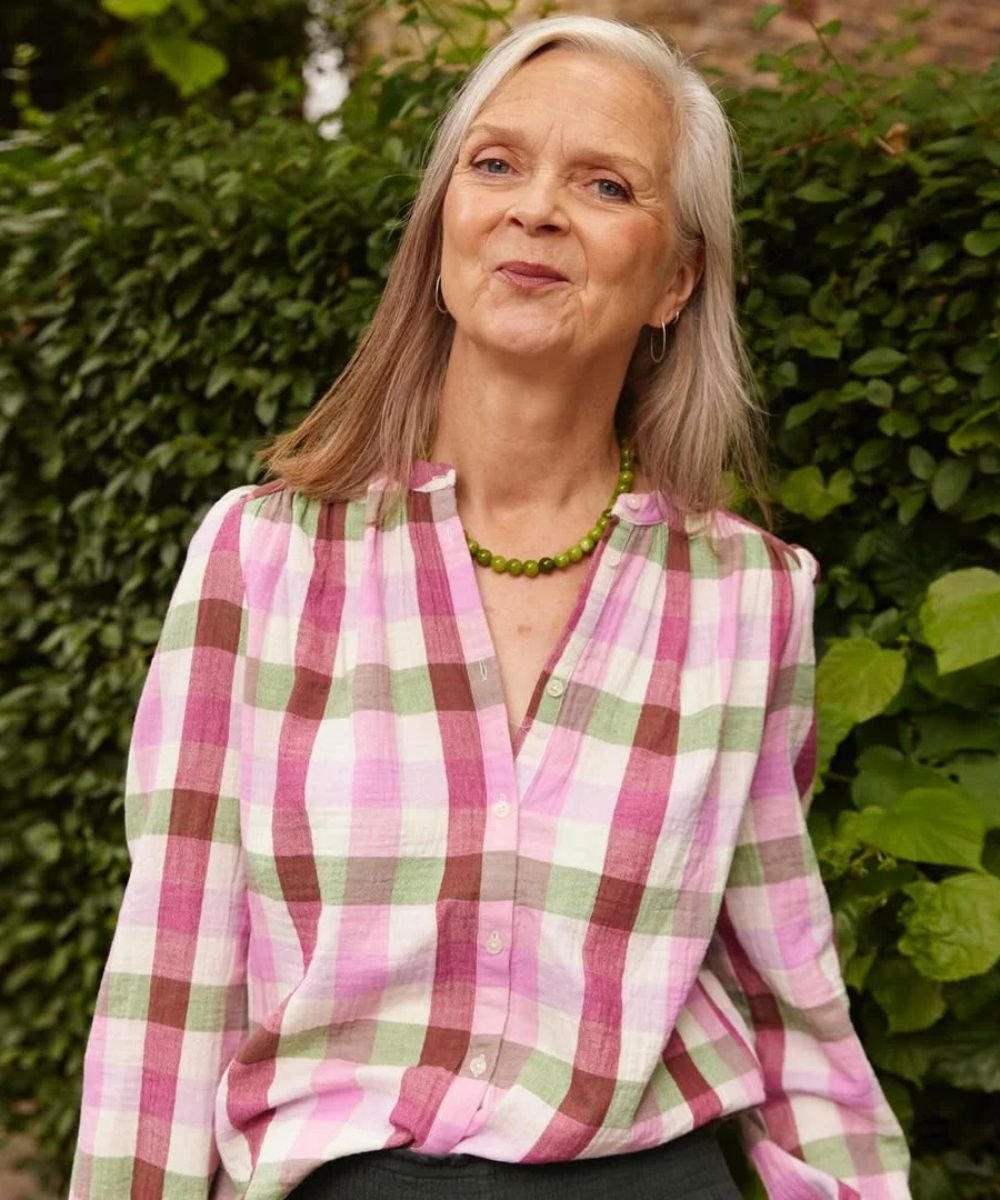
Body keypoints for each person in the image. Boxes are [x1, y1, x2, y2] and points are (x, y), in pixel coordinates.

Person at [70, 13, 912, 1200]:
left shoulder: (750, 600)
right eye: (497, 163)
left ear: (674, 279)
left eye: (605, 182)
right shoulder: (262, 558)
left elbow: (787, 994)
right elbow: (171, 976)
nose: (535, 209)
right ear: (442, 229)